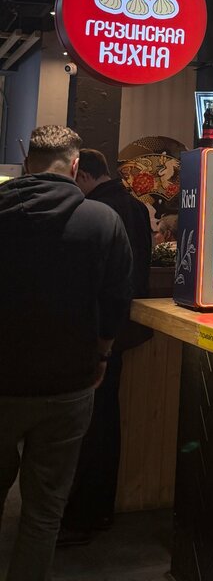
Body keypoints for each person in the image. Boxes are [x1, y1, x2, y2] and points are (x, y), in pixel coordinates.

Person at [0, 126, 133, 581]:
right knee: (44, 511)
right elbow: (116, 300)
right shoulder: (101, 221)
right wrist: (102, 355)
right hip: (69, 383)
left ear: (27, 163)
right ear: (76, 166)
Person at [59, 148, 153, 542]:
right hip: (124, 326)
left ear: (82, 175)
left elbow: (108, 281)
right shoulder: (133, 205)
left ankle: (85, 515)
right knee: (104, 420)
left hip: (102, 330)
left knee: (93, 425)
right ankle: (97, 513)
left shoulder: (98, 210)